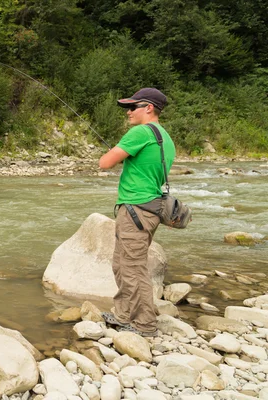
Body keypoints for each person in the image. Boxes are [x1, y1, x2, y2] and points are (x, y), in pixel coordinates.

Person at [98, 88, 175, 337]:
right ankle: (122, 314)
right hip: (148, 210)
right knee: (121, 263)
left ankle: (144, 324)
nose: (129, 112)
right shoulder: (164, 136)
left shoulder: (141, 132)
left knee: (133, 267)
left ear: (149, 108)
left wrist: (112, 151)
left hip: (136, 209)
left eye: (133, 107)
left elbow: (105, 162)